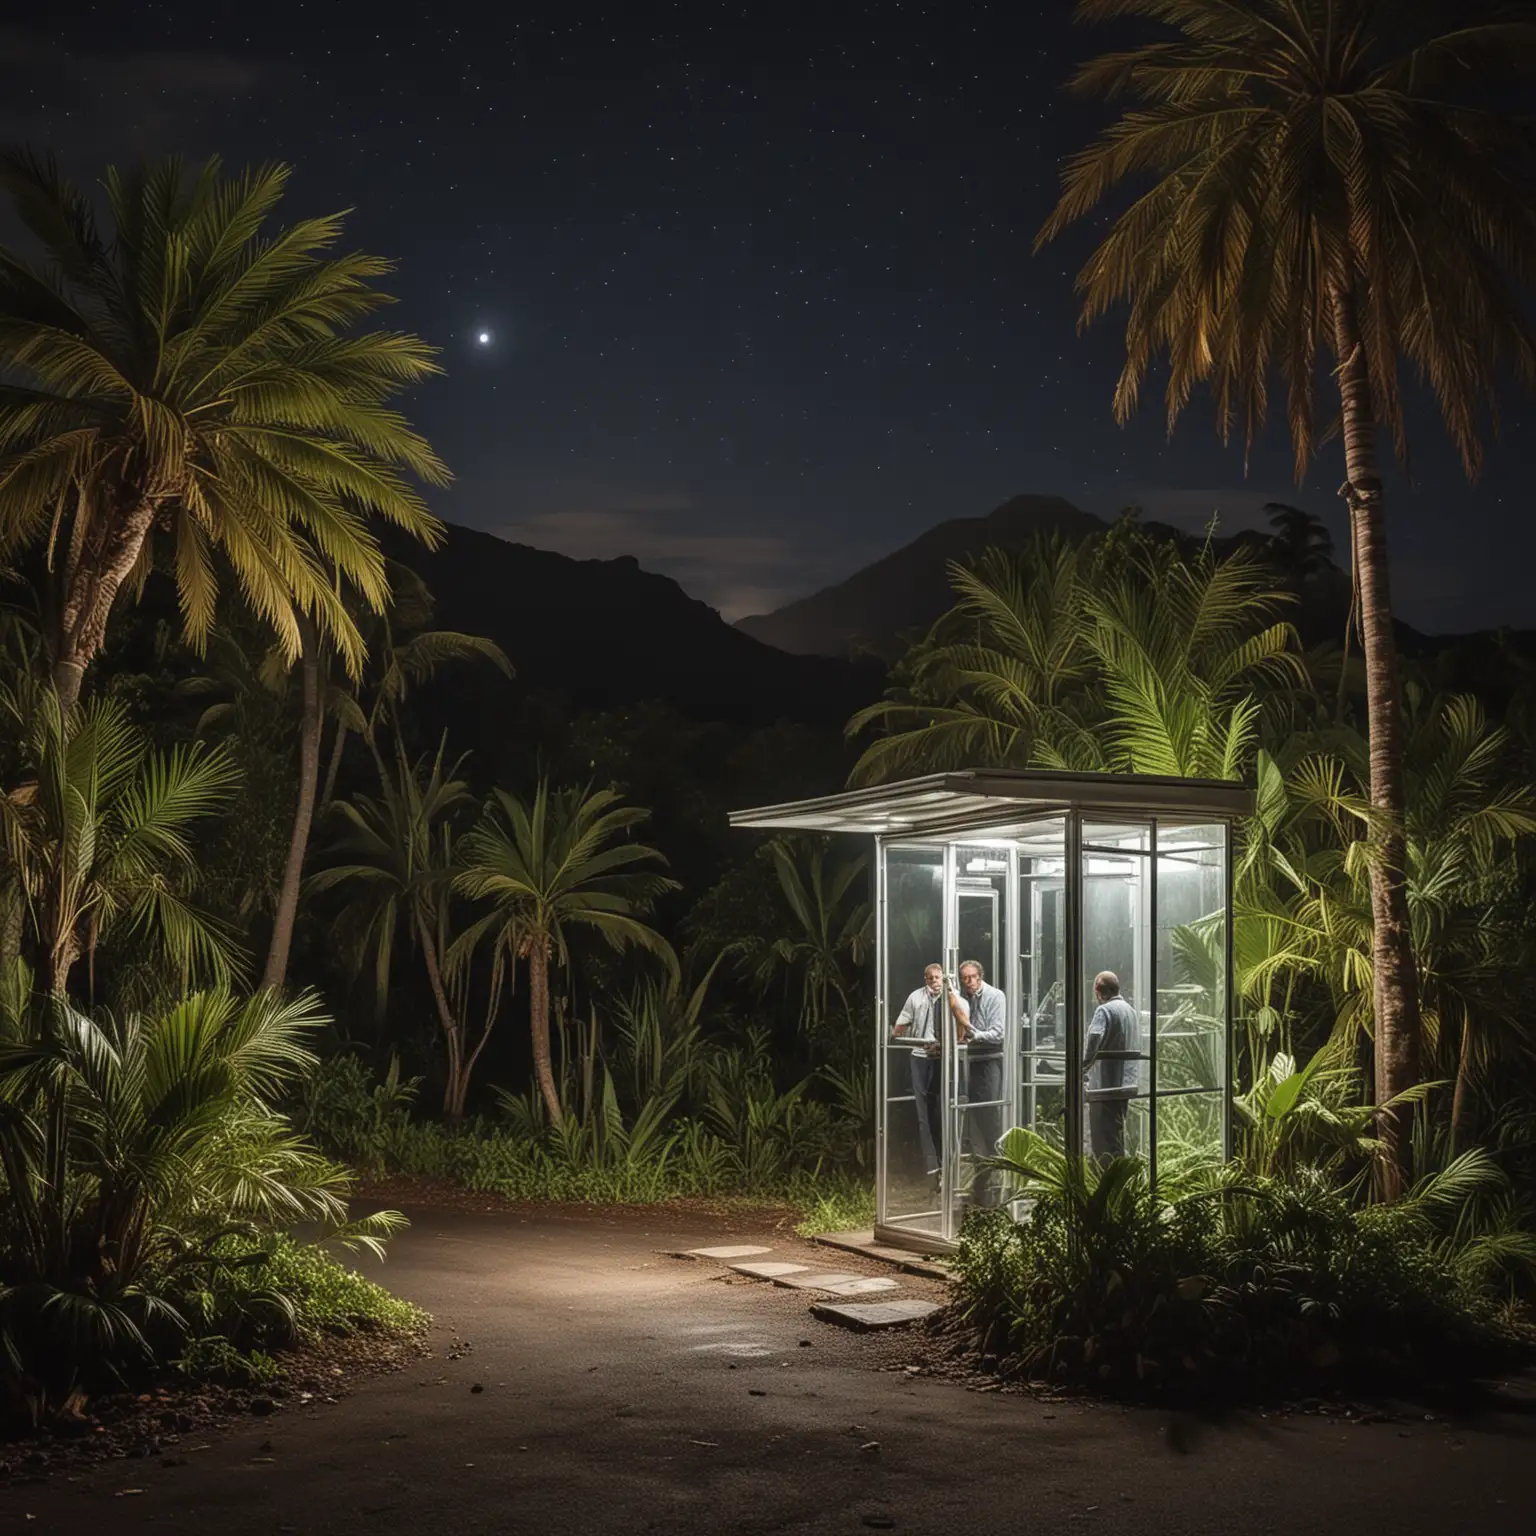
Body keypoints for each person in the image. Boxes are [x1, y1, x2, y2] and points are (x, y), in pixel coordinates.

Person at [893, 963, 968, 1178]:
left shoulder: (954, 998)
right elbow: (902, 1023)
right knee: (924, 1111)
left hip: (945, 1059)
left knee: (946, 1107)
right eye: (930, 978)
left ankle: (952, 1160)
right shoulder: (915, 997)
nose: (934, 981)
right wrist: (894, 1034)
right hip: (920, 1057)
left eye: (937, 977)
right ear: (924, 979)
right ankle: (933, 1165)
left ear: (944, 978)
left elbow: (964, 1027)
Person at [955, 959, 1007, 1205]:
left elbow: (998, 1032)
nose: (969, 983)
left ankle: (997, 1174)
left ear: (980, 976)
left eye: (972, 977)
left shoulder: (995, 997)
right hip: (968, 1061)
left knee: (989, 1119)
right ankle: (981, 1182)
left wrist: (972, 1034)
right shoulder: (963, 1000)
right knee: (972, 1121)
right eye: (965, 978)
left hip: (988, 1060)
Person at [1082, 970, 1140, 1159]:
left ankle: (1107, 1181)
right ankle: (1120, 1178)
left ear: (1098, 992)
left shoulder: (1104, 1010)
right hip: (1126, 1084)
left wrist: (1082, 1067)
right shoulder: (1130, 1011)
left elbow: (1094, 1041)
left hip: (1105, 1086)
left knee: (1103, 1138)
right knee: (1117, 1133)